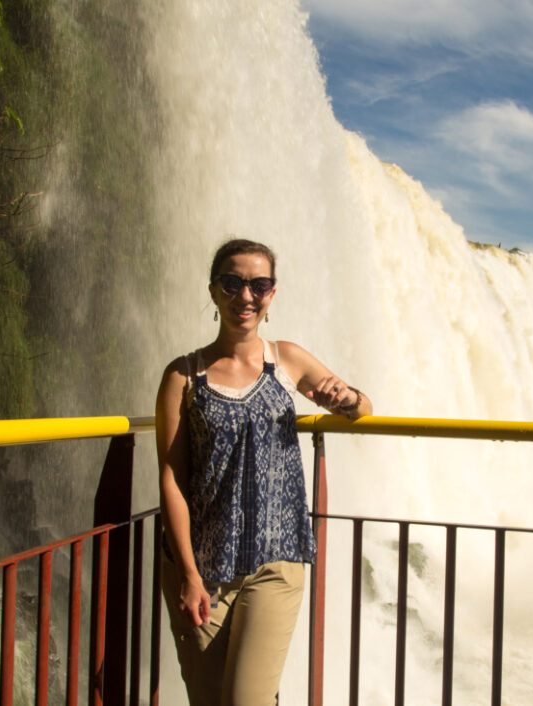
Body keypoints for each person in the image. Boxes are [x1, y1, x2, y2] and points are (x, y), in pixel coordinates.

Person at [155, 238, 372, 704]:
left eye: (259, 284)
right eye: (232, 283)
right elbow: (172, 479)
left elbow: (362, 406)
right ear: (213, 291)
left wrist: (345, 399)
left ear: (272, 294)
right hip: (201, 569)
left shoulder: (286, 359)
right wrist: (190, 574)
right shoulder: (182, 376)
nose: (245, 296)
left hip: (276, 562)